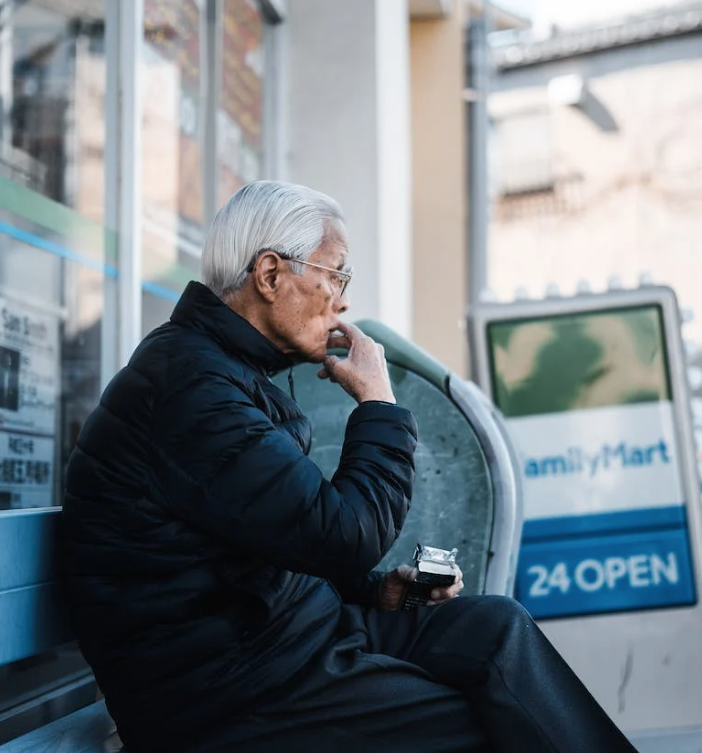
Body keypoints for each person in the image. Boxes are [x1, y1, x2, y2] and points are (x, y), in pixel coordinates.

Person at [61, 181, 638, 753]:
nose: (342, 299)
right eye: (336, 275)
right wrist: (379, 404)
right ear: (270, 276)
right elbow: (346, 535)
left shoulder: (215, 371)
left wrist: (377, 593)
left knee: (495, 630)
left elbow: (272, 540)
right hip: (225, 695)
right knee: (486, 722)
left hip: (288, 645)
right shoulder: (192, 387)